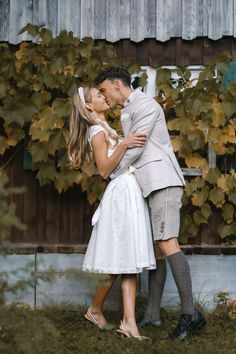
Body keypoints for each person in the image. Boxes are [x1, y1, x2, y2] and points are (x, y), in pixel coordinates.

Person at [95, 66, 206, 340]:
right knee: (157, 250)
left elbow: (136, 148)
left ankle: (190, 315)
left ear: (116, 84)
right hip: (148, 184)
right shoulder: (127, 110)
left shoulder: (144, 105)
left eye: (103, 89)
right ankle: (153, 315)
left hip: (162, 181)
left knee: (168, 243)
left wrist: (113, 173)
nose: (102, 95)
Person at [68, 86, 156, 339]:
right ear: (88, 107)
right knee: (121, 260)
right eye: (98, 96)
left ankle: (128, 323)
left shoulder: (108, 127)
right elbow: (104, 170)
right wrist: (125, 144)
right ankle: (96, 309)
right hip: (119, 195)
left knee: (128, 260)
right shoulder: (96, 132)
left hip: (130, 190)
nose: (104, 97)